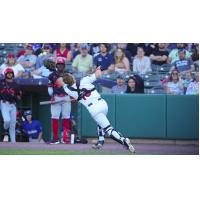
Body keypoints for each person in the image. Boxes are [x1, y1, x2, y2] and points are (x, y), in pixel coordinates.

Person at [56, 69, 135, 153]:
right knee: (100, 123)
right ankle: (101, 140)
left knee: (108, 130)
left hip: (94, 109)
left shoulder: (67, 90)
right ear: (72, 77)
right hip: (103, 104)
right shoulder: (84, 80)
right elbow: (98, 75)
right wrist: (98, 69)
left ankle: (123, 140)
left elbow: (62, 83)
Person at [48, 57, 71, 144]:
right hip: (56, 97)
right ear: (56, 65)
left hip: (66, 97)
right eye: (59, 64)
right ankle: (55, 138)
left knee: (66, 117)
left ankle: (65, 138)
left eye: (62, 64)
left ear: (64, 65)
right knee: (55, 117)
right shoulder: (51, 75)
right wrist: (52, 96)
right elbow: (49, 88)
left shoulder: (68, 75)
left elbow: (72, 87)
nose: (60, 66)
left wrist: (73, 95)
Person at [0, 68, 22, 143]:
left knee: (13, 124)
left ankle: (13, 142)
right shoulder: (1, 83)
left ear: (13, 74)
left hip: (13, 105)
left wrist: (14, 95)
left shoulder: (16, 84)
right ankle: (5, 130)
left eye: (11, 73)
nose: (9, 75)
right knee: (7, 120)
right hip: (4, 103)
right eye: (8, 73)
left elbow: (19, 97)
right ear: (5, 74)